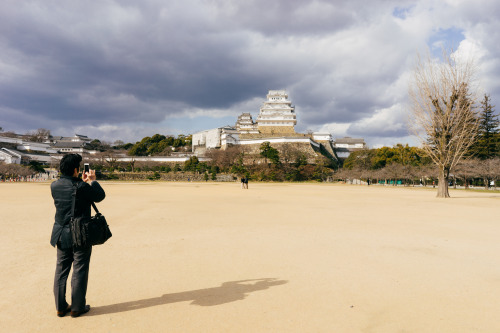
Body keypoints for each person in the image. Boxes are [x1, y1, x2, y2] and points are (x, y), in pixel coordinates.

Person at [50, 154, 105, 318]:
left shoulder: (54, 185)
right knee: (79, 270)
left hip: (60, 233)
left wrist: (82, 182)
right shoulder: (82, 186)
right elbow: (99, 196)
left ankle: (60, 307)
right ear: (76, 169)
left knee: (61, 271)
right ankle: (77, 307)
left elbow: (72, 195)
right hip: (80, 233)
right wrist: (92, 180)